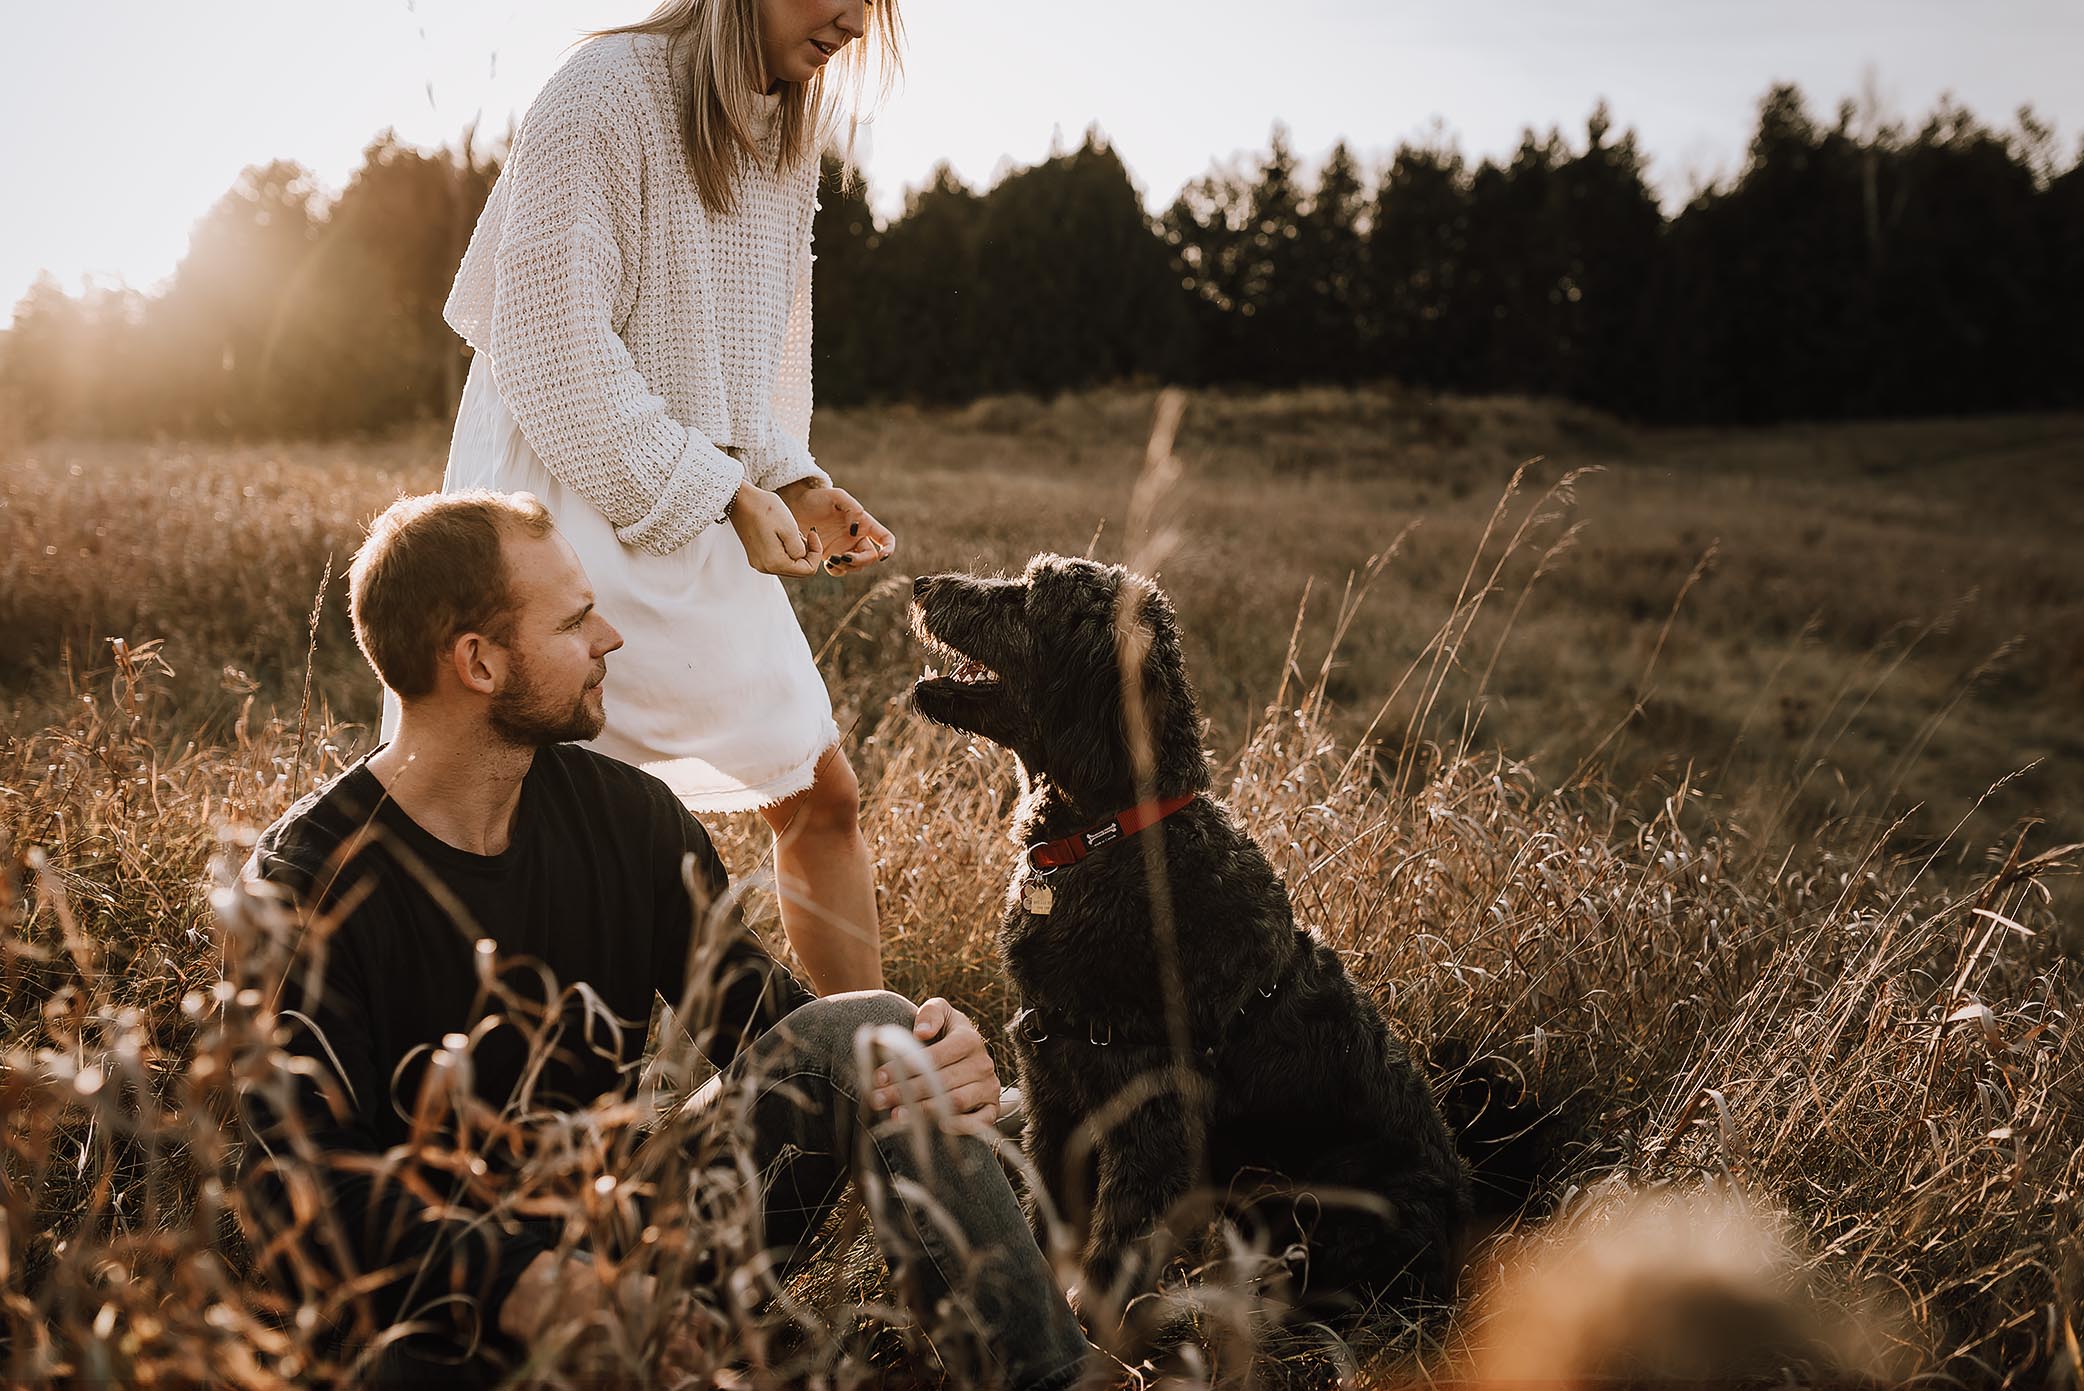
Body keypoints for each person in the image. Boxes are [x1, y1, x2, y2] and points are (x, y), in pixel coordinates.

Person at [238, 491, 1089, 1388]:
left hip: (622, 1249)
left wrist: (914, 1049)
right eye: (574, 620)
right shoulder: (306, 885)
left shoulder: (630, 821)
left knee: (880, 1036)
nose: (609, 636)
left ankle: (1049, 1377)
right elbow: (294, 1192)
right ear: (479, 663)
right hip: (420, 1318)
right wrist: (522, 1283)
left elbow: (777, 1034)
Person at [388, 0, 906, 996]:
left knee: (816, 792)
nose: (848, 16)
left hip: (695, 503)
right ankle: (530, 1098)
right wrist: (719, 490)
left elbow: (743, 361)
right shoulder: (603, 91)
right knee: (540, 826)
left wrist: (791, 477)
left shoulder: (782, 123)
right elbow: (548, 346)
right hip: (560, 522)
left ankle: (865, 1074)